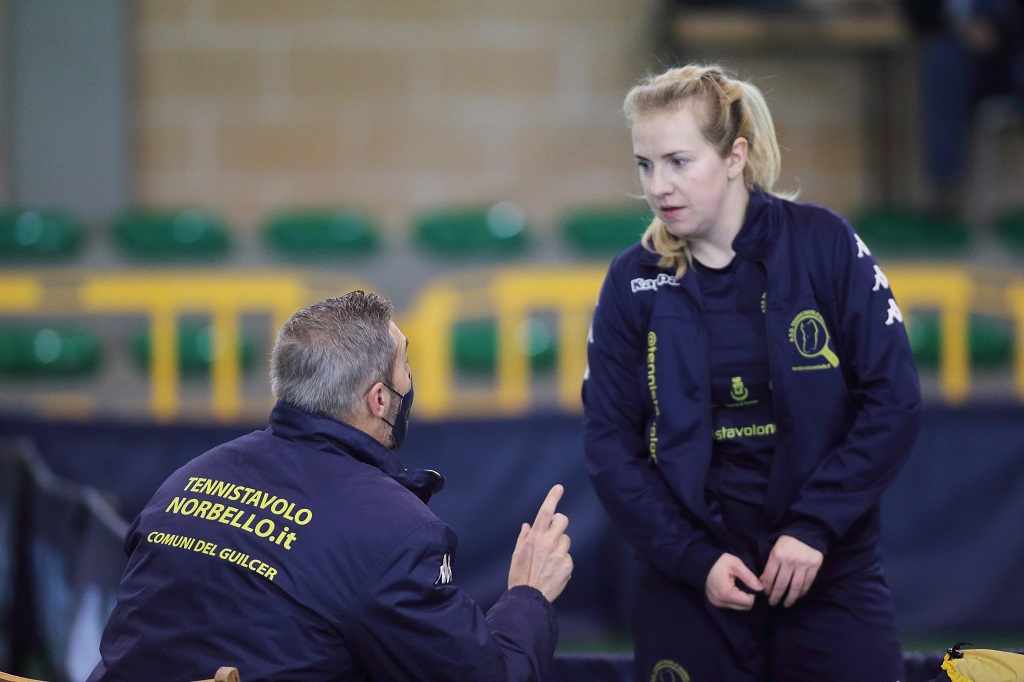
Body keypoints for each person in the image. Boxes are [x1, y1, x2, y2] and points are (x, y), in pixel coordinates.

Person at [581, 64, 922, 681]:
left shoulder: (824, 244)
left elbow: (892, 400)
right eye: (645, 165)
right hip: (689, 580)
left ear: (735, 156)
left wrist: (815, 526)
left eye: (678, 162)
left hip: (826, 567)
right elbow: (610, 444)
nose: (659, 186)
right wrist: (693, 559)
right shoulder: (632, 279)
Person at [88, 291, 573, 682]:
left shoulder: (187, 479)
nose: (410, 379)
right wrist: (528, 595)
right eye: (406, 365)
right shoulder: (397, 532)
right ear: (380, 399)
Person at [901, 0, 1024, 213]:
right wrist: (965, 27)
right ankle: (943, 191)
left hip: (1013, 46)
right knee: (943, 62)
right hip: (957, 46)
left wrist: (999, 27)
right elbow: (918, 15)